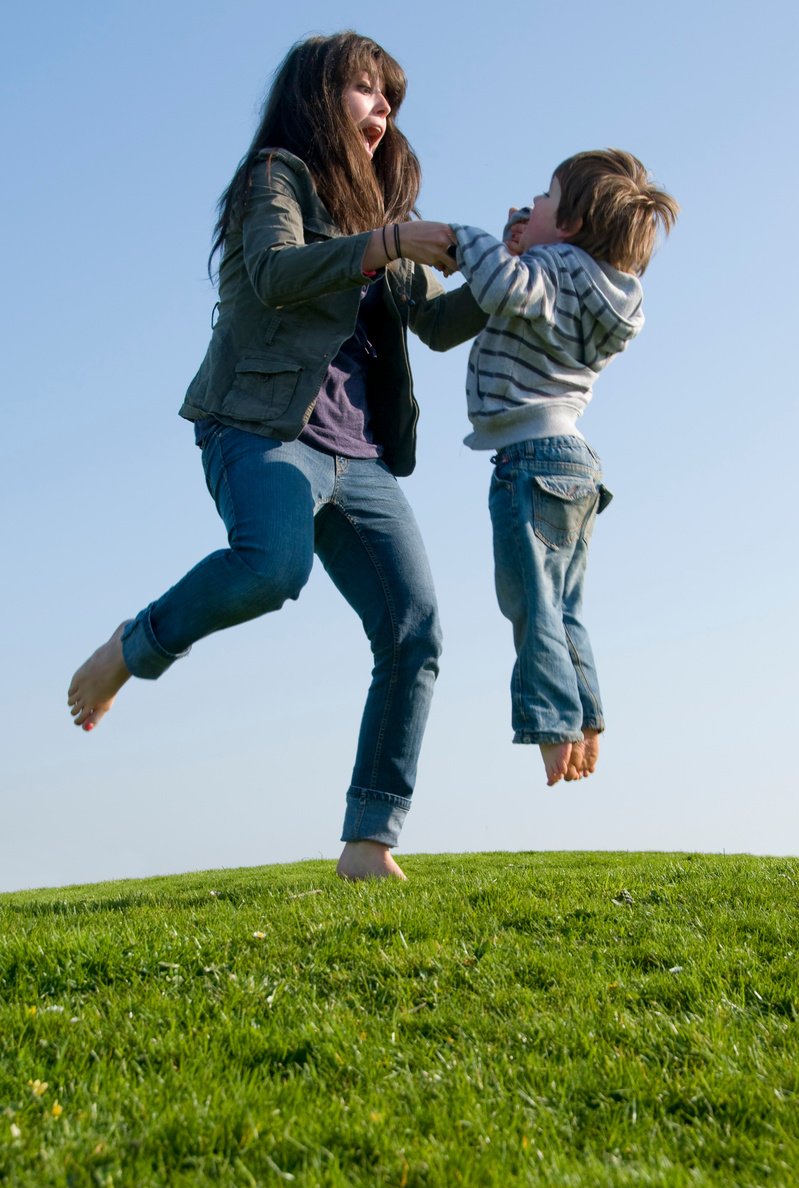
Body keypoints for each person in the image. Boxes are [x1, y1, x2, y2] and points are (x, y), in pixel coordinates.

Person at [67, 32, 485, 881]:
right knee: (272, 565)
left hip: (358, 456)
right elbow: (273, 271)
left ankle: (369, 842)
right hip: (259, 429)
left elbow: (438, 325)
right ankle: (132, 646)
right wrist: (392, 241)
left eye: (391, 97)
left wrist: (509, 270)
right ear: (316, 94)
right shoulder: (275, 175)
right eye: (366, 88)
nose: (383, 108)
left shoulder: (379, 218)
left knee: (415, 628)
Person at [449, 150, 678, 786]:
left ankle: (553, 727)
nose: (530, 205)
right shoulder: (608, 291)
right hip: (575, 462)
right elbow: (529, 288)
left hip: (530, 460)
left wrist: (460, 239)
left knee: (531, 602)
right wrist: (520, 244)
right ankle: (588, 715)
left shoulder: (554, 266)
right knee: (564, 604)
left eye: (544, 198)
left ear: (572, 225)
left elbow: (502, 287)